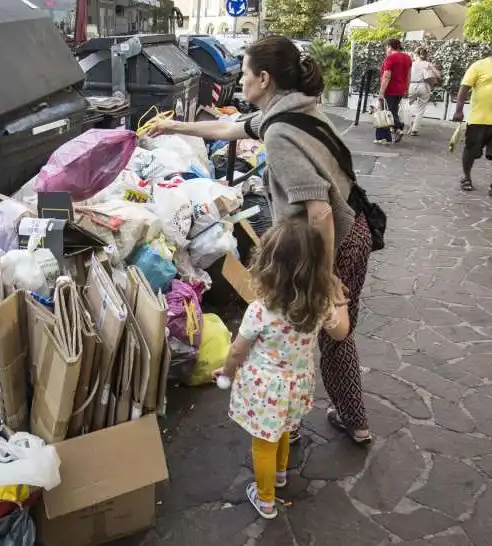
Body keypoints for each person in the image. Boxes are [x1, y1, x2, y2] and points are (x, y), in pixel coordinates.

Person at [148, 35, 373, 445]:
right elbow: (229, 127)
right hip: (353, 228)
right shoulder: (297, 111)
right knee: (323, 330)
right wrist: (172, 125)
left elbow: (318, 211)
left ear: (264, 79)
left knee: (327, 330)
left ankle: (300, 416)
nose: (241, 80)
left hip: (329, 243)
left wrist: (322, 278)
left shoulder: (280, 134)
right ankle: (348, 418)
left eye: (246, 73)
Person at [212, 219, 350, 519]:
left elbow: (238, 350)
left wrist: (225, 373)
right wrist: (339, 299)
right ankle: (280, 476)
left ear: (269, 267)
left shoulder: (260, 310)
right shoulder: (320, 303)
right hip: (296, 386)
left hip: (265, 390)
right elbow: (341, 333)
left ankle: (265, 500)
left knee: (263, 443)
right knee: (285, 428)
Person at [453, 53, 492, 193]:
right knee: (471, 151)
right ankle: (466, 177)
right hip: (479, 119)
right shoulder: (478, 65)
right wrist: (459, 110)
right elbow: (464, 88)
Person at [376, 39, 412, 144]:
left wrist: (381, 92)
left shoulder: (390, 58)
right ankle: (396, 131)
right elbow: (408, 76)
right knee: (393, 111)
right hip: (400, 90)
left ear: (390, 47)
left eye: (386, 47)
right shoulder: (407, 58)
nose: (386, 50)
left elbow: (387, 76)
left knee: (387, 113)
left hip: (390, 90)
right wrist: (407, 89)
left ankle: (400, 127)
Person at [408, 47, 440, 136]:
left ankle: (407, 124)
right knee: (421, 109)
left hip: (411, 85)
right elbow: (438, 75)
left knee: (406, 105)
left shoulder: (412, 64)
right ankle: (415, 129)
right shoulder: (428, 64)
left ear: (416, 54)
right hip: (424, 86)